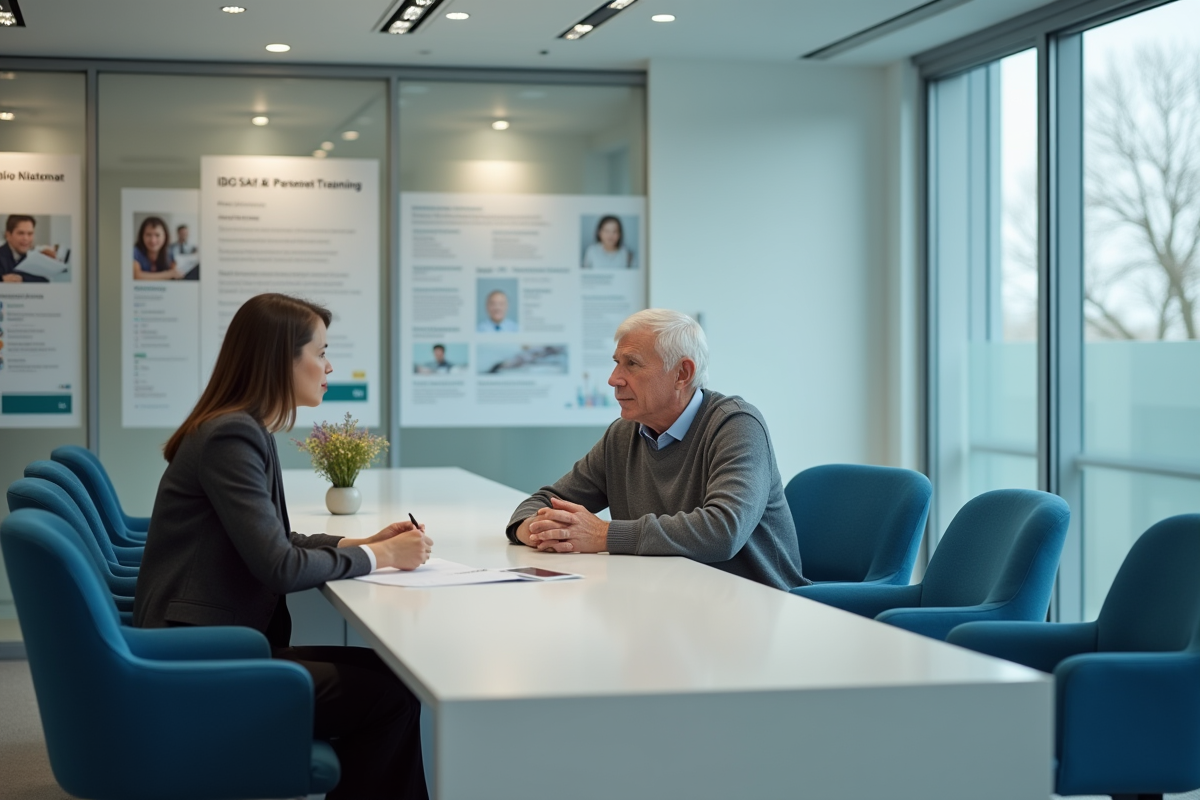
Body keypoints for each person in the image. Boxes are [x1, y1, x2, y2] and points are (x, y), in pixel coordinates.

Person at [133, 293, 432, 799]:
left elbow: (275, 538)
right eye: (320, 352)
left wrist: (360, 541)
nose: (328, 365)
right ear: (281, 360)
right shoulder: (232, 435)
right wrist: (380, 558)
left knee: (396, 677)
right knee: (392, 697)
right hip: (199, 656)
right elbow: (279, 566)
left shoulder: (242, 427)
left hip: (211, 638)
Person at [506, 308, 809, 591]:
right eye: (616, 363)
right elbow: (544, 501)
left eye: (632, 364)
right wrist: (538, 529)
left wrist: (602, 534)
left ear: (682, 374)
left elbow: (723, 530)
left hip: (753, 607)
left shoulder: (736, 425)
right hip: (669, 597)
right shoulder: (624, 434)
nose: (614, 380)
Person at [0, 215, 53, 283]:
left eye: (30, 234)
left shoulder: (34, 258)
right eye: (20, 233)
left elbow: (44, 281)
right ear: (8, 235)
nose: (26, 238)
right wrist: (2, 280)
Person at [132, 216, 182, 280]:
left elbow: (176, 274)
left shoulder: (170, 252)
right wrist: (169, 274)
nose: (153, 240)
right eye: (148, 235)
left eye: (157, 235)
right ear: (142, 236)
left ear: (165, 236)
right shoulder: (135, 251)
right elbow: (136, 275)